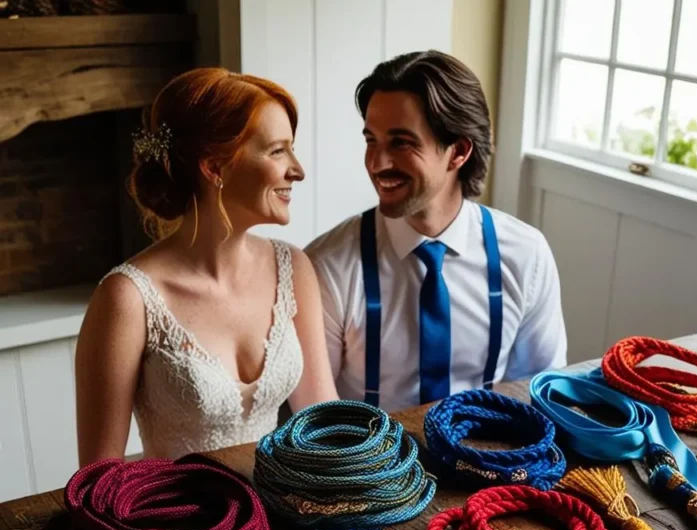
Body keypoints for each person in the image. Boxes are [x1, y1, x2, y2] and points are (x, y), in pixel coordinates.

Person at [75, 67, 338, 466]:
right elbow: (100, 477)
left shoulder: (293, 267)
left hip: (279, 510)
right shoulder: (127, 298)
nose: (297, 170)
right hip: (178, 521)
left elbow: (322, 420)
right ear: (214, 167)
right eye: (277, 150)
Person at [306, 50, 567, 412]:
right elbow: (315, 417)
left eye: (401, 142)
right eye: (371, 140)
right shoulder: (327, 266)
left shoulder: (526, 254)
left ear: (458, 151)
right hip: (365, 464)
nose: (377, 163)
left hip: (491, 456)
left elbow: (537, 395)